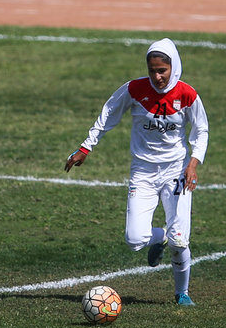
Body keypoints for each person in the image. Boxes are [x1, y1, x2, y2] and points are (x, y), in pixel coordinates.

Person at [65, 38, 208, 305]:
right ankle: (161, 236)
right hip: (142, 173)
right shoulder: (134, 89)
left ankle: (182, 293)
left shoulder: (187, 94)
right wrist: (85, 148)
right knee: (134, 239)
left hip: (176, 171)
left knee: (180, 240)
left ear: (174, 67)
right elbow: (108, 114)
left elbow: (201, 131)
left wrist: (193, 164)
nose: (157, 76)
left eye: (162, 70)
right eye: (152, 70)